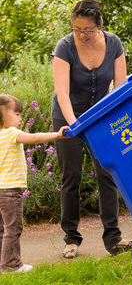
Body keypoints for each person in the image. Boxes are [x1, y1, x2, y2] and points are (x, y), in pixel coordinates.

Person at [51, 0, 131, 259]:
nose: (82, 35)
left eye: (87, 30)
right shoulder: (64, 47)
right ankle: (71, 239)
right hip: (67, 118)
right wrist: (74, 124)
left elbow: (120, 88)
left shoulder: (114, 43)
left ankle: (113, 238)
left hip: (100, 118)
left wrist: (116, 122)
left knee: (107, 174)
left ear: (99, 26)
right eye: (77, 29)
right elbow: (62, 92)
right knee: (71, 177)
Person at [0, 94, 68, 273]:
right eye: (16, 114)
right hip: (10, 191)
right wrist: (57, 135)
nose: (20, 118)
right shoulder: (11, 133)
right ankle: (11, 265)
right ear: (2, 114)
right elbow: (35, 138)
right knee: (13, 228)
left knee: (2, 230)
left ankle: (3, 263)